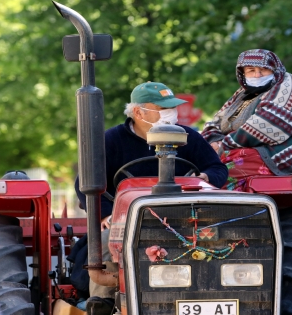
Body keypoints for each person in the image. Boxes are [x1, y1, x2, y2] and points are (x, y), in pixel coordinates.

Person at [72, 82, 228, 311]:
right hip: (125, 221)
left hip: (185, 219)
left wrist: (205, 176)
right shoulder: (111, 141)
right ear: (138, 112)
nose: (170, 114)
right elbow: (84, 184)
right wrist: (105, 215)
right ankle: (104, 299)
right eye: (163, 109)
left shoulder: (189, 137)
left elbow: (218, 169)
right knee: (107, 240)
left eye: (172, 108)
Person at [201, 49, 292, 191]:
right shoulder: (244, 93)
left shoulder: (289, 88)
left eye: (264, 70)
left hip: (290, 154)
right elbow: (216, 122)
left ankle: (225, 211)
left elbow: (265, 128)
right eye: (251, 70)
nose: (257, 74)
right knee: (202, 163)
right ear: (243, 73)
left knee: (222, 171)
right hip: (245, 148)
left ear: (275, 70)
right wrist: (212, 141)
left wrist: (223, 144)